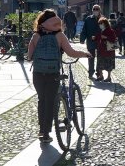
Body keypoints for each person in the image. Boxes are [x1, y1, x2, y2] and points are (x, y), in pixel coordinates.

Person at [28, 9, 91, 143]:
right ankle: (46, 133)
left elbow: (29, 56)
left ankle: (42, 130)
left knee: (42, 100)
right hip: (53, 72)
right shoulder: (60, 36)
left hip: (38, 73)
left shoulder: (36, 36)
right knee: (50, 101)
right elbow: (71, 53)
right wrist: (85, 54)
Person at [80, 4, 102, 79]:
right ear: (92, 10)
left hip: (100, 41)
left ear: (99, 10)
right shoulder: (88, 19)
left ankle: (98, 72)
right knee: (91, 57)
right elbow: (84, 30)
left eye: (97, 9)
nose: (95, 11)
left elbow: (106, 30)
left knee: (100, 57)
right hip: (90, 41)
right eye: (94, 9)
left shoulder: (102, 19)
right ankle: (91, 72)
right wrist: (82, 39)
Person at [92, 17, 117, 82]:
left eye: (101, 23)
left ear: (105, 24)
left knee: (109, 64)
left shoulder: (110, 30)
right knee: (99, 64)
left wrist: (106, 37)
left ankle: (108, 77)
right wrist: (95, 38)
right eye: (99, 23)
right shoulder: (101, 31)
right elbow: (98, 37)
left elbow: (113, 39)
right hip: (101, 50)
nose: (100, 25)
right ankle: (101, 76)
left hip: (108, 51)